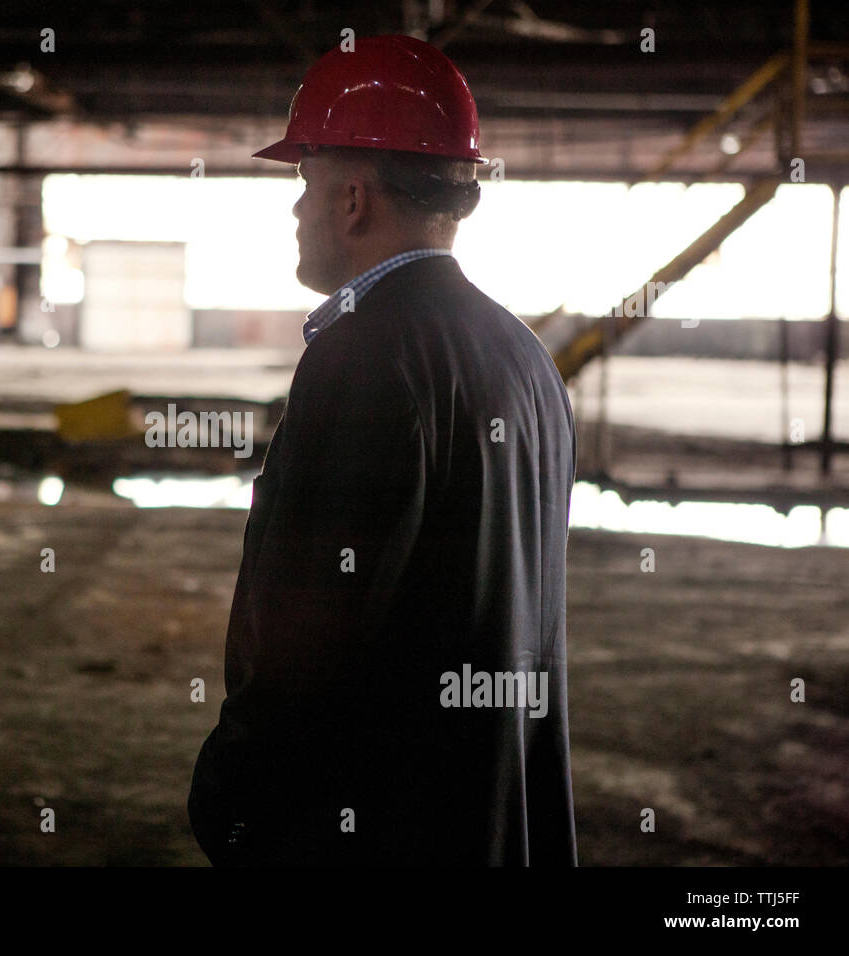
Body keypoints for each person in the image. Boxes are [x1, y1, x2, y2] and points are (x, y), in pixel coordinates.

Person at [188, 34, 578, 866]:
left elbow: (312, 637)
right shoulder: (522, 356)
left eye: (306, 183)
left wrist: (232, 792)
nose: (297, 211)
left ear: (354, 198)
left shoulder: (363, 359)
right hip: (488, 819)